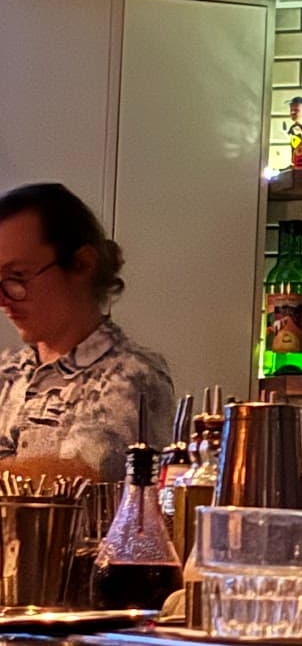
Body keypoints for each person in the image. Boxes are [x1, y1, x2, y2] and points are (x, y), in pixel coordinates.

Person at [0, 183, 174, 480]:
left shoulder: (131, 375)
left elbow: (86, 474)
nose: (3, 298)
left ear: (83, 264)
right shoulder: (8, 371)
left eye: (17, 277)